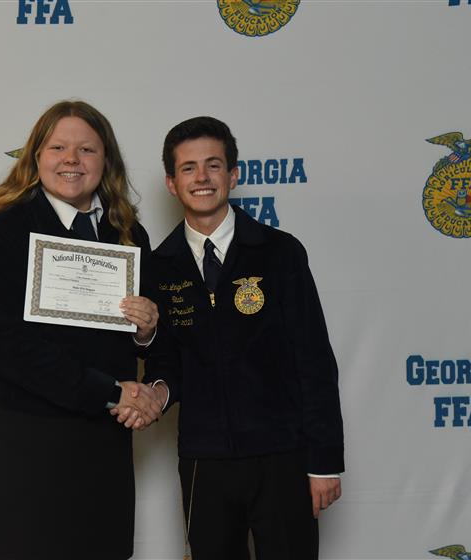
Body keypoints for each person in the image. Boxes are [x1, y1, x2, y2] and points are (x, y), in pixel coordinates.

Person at [0, 100, 162, 560]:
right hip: (23, 432)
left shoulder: (128, 233)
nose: (72, 159)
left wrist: (146, 330)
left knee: (98, 546)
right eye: (58, 148)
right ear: (36, 157)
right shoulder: (4, 234)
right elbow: (8, 347)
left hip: (102, 433)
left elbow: (151, 336)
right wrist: (110, 392)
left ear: (106, 160)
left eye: (86, 149)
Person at [138, 116, 345, 559]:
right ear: (172, 183)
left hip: (282, 454)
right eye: (189, 168)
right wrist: (156, 388)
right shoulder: (158, 266)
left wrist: (324, 461)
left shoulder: (280, 252)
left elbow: (314, 360)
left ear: (233, 175)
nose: (202, 177)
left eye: (213, 165)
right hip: (204, 459)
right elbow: (166, 361)